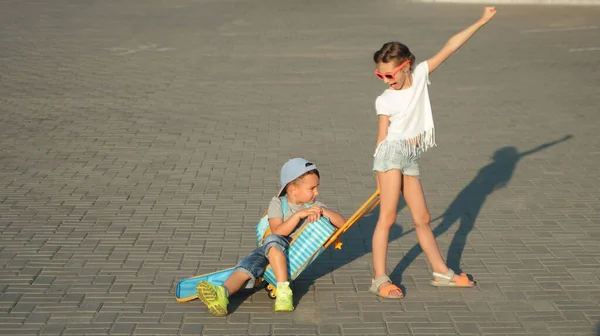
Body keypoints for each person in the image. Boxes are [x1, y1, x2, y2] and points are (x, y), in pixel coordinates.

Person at [369, 7, 497, 298]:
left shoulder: (422, 74)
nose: (386, 80)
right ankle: (379, 278)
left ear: (407, 65)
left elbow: (451, 46)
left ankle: (441, 272)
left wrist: (482, 20)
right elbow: (381, 137)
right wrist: (377, 173)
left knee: (423, 217)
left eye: (390, 74)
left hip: (409, 157)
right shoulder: (385, 99)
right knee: (387, 218)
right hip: (390, 156)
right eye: (380, 75)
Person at [195, 158, 346, 315]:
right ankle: (222, 294)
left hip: (294, 248)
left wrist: (323, 211)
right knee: (248, 265)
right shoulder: (278, 204)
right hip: (273, 245)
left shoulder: (315, 207)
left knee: (269, 243)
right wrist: (299, 215)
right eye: (312, 188)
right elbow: (278, 231)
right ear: (293, 190)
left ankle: (283, 292)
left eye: (317, 187)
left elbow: (342, 223)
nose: (317, 192)